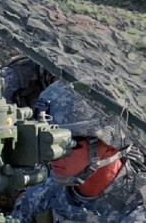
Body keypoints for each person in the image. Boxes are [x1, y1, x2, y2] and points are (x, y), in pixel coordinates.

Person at [12, 80, 146, 222]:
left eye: (67, 142)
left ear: (110, 146)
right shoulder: (44, 194)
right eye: (47, 141)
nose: (53, 154)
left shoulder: (138, 208)